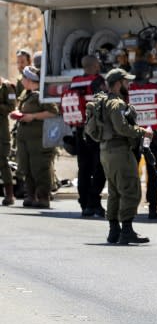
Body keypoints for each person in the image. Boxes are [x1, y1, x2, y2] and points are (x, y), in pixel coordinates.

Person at [99, 68, 152, 244]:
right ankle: (127, 231)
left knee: (114, 191)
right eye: (126, 82)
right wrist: (142, 132)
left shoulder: (104, 102)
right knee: (130, 189)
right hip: (120, 152)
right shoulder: (117, 104)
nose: (128, 85)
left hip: (106, 151)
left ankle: (114, 231)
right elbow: (121, 128)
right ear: (117, 83)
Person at [61, 54, 108, 217]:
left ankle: (84, 203)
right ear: (95, 66)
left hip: (79, 129)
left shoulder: (75, 81)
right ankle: (94, 202)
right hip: (95, 131)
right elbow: (104, 105)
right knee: (100, 168)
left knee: (84, 168)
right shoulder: (98, 81)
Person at [10, 66, 58, 208]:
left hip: (38, 139)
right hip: (24, 138)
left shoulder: (42, 95)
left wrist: (32, 116)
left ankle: (43, 197)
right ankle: (30, 195)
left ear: (30, 80)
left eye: (23, 78)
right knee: (26, 167)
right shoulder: (27, 94)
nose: (21, 80)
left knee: (39, 168)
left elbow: (53, 112)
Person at [128, 60, 157, 219]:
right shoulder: (156, 89)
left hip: (134, 136)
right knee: (153, 172)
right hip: (152, 136)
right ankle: (153, 209)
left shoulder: (128, 90)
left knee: (131, 172)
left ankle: (132, 207)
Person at [1, 75, 16, 205]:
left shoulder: (7, 87)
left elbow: (11, 107)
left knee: (2, 162)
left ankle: (9, 194)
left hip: (1, 131)